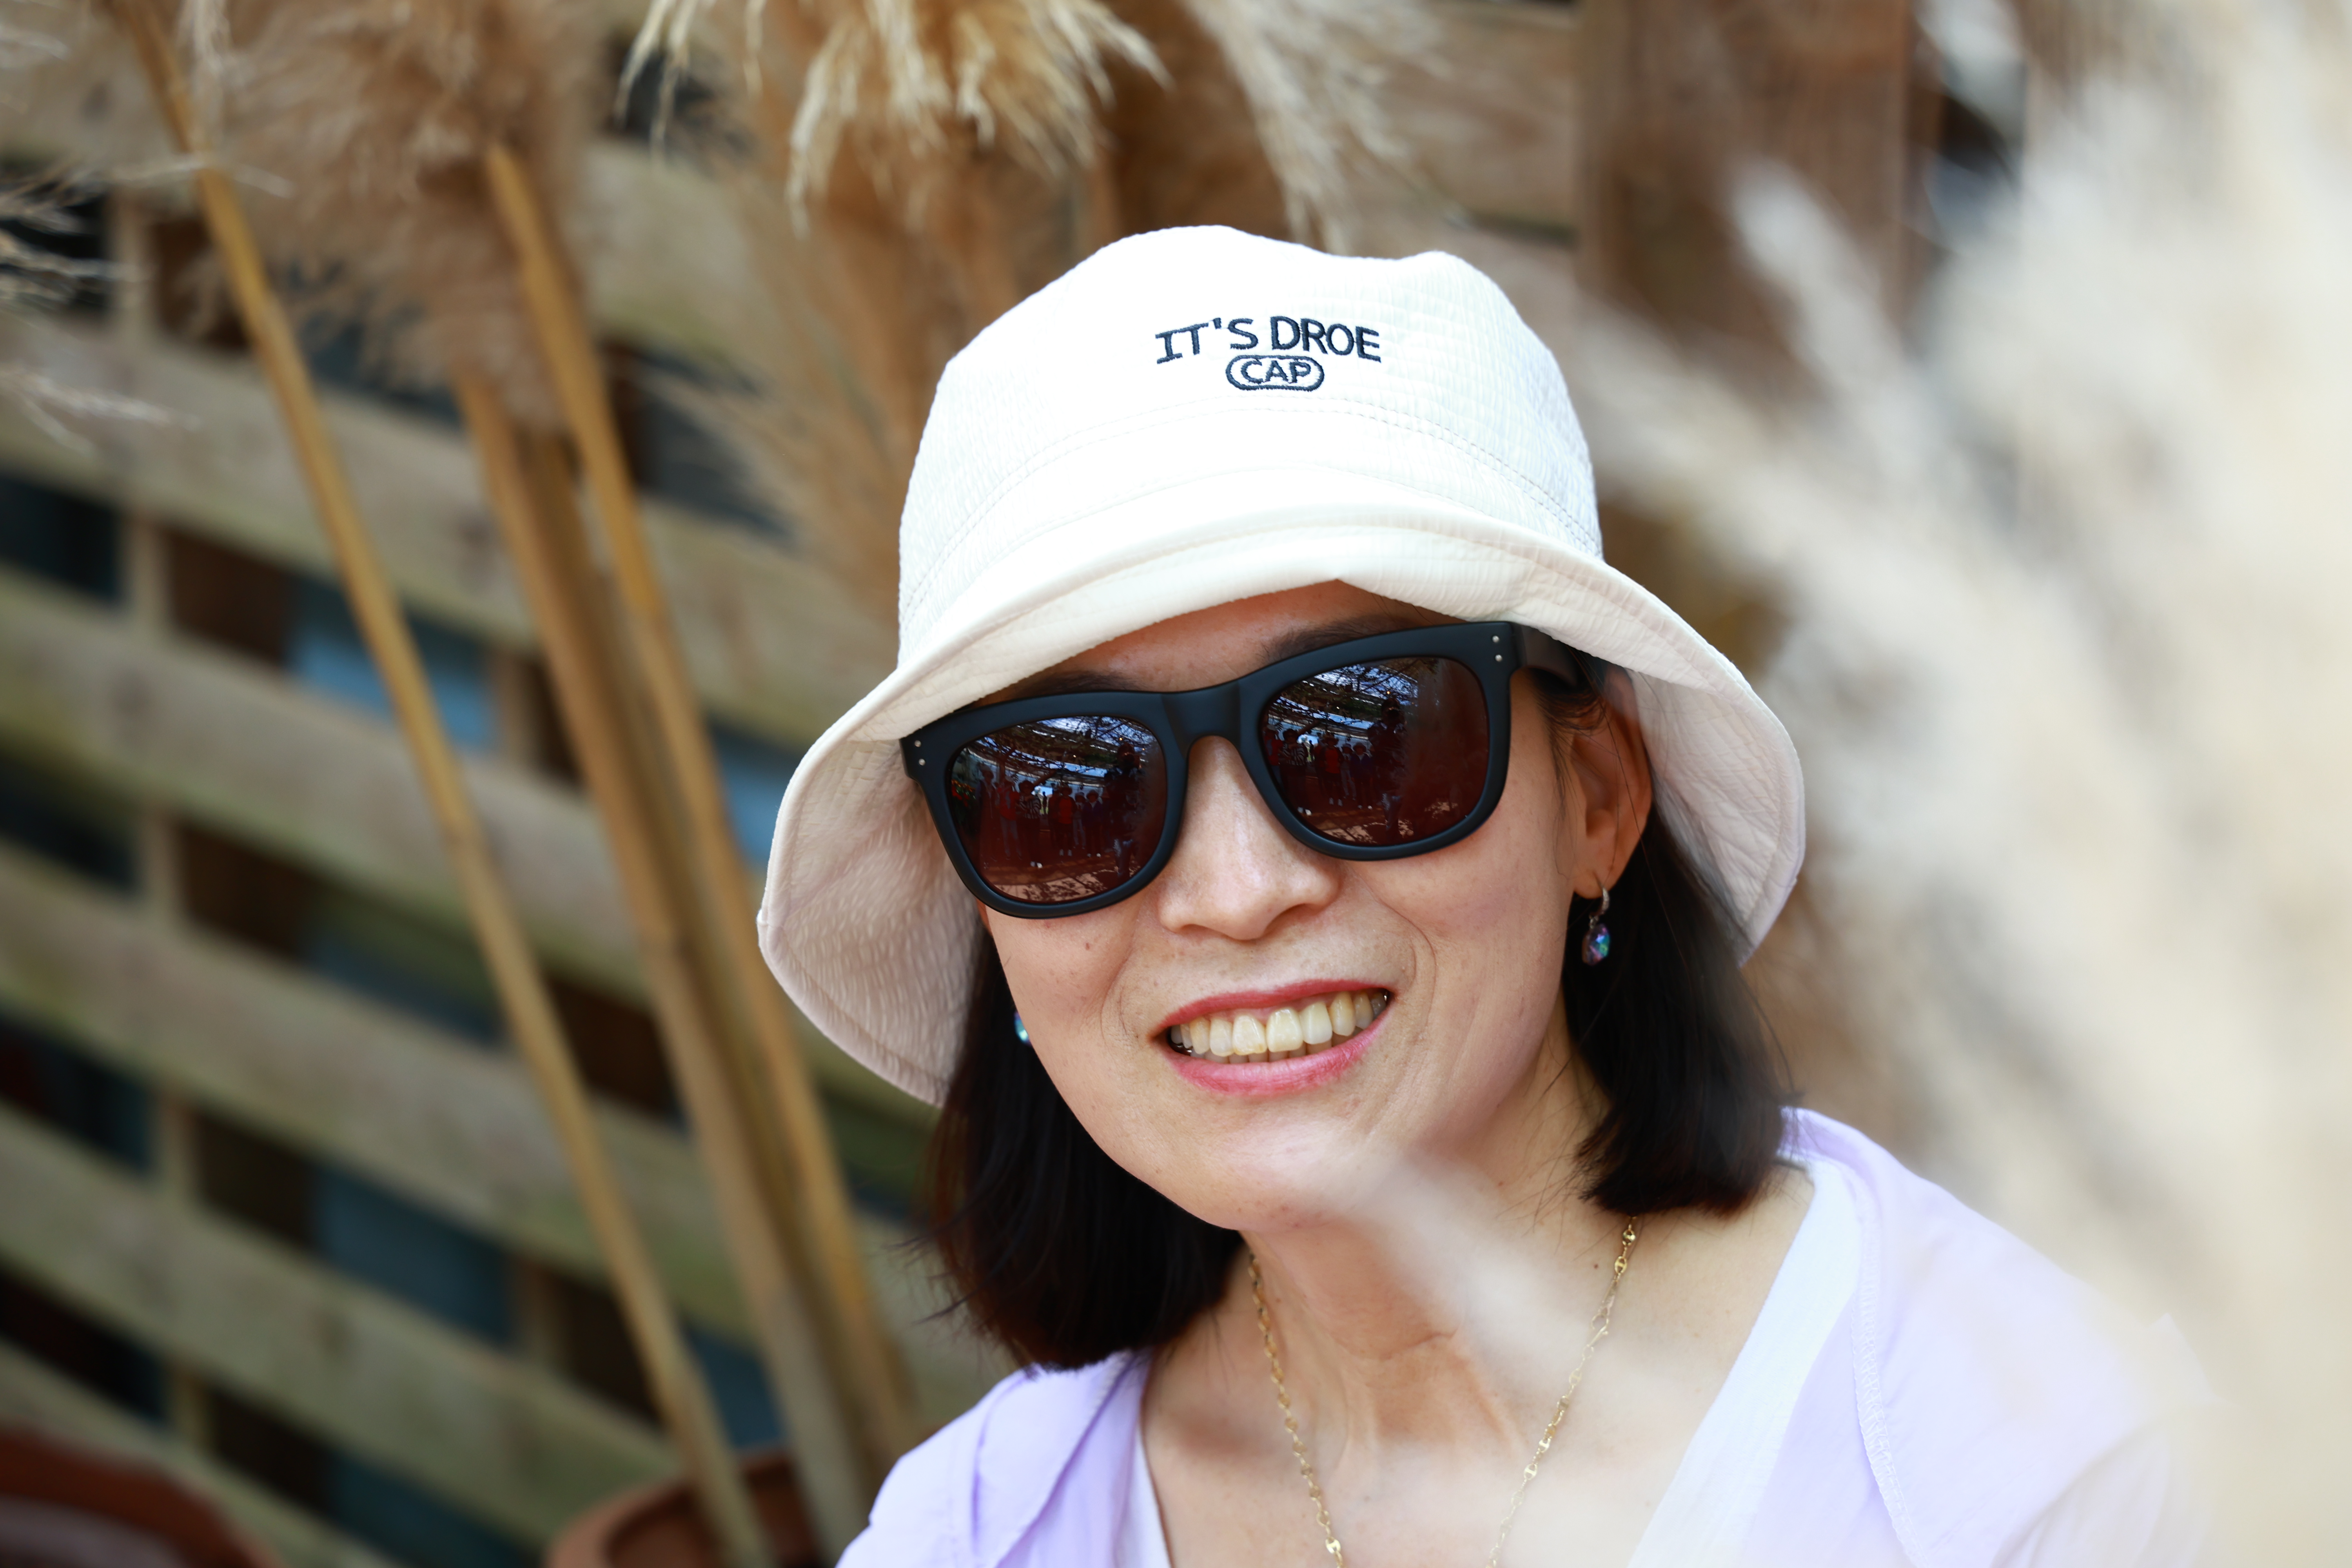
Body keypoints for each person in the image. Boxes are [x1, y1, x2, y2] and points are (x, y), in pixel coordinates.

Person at [756, 228, 2210, 1566]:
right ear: (993, 913)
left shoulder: (2036, 1486)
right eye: (1068, 792)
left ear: (1598, 802)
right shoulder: (973, 1537)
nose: (1239, 890)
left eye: (1369, 737)